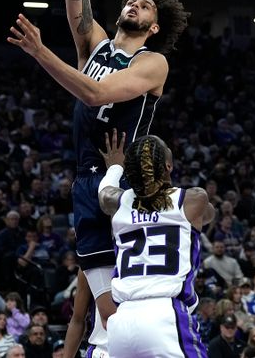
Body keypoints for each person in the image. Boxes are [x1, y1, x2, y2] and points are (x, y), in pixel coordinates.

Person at [6, 0, 189, 344]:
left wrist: (40, 51)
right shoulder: (96, 44)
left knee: (125, 308)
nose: (136, 5)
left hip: (124, 182)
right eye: (133, 0)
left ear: (154, 26)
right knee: (106, 312)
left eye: (146, 6)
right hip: (85, 181)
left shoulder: (152, 64)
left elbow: (94, 93)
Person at [95, 133, 214, 358]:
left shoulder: (117, 202)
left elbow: (103, 194)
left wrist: (114, 167)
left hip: (121, 321)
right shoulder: (192, 199)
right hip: (164, 314)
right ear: (168, 166)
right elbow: (208, 214)